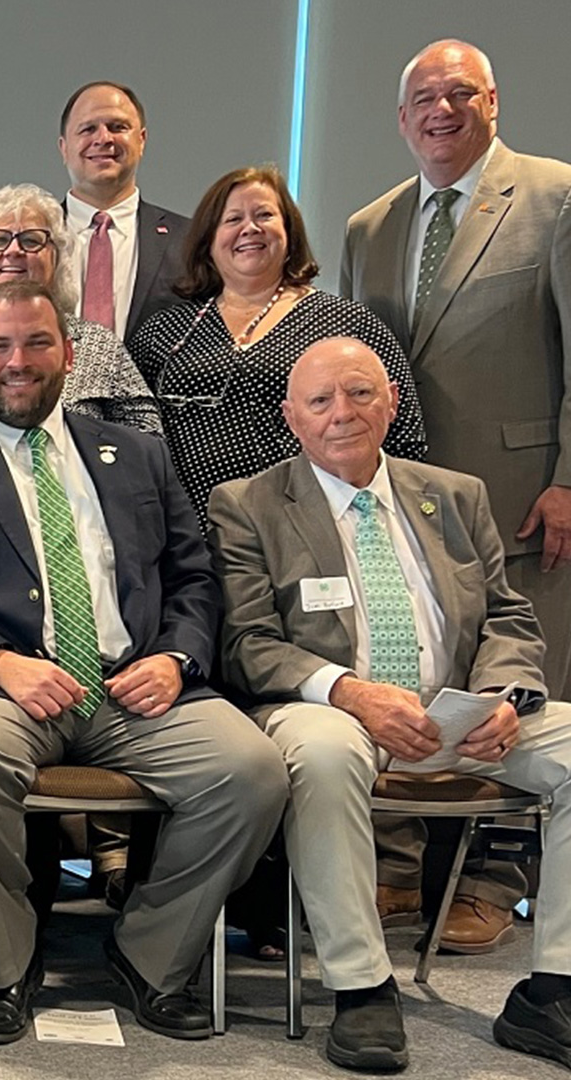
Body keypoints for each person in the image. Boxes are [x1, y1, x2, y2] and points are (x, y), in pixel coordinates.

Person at [0, 280, 288, 1046]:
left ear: (68, 353)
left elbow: (195, 575)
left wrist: (179, 657)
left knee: (252, 770)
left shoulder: (139, 457)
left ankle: (151, 955)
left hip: (134, 690)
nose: (18, 362)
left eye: (35, 343)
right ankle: (5, 964)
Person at [210, 336, 571, 1073]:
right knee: (325, 751)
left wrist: (506, 697)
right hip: (332, 708)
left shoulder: (456, 494)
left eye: (360, 393)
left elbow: (507, 616)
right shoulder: (247, 505)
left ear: (392, 402)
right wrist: (350, 692)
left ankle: (552, 991)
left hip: (461, 714)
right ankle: (361, 988)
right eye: (320, 400)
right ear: (292, 418)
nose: (342, 413)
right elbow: (247, 642)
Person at [345, 40, 571, 947]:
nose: (442, 111)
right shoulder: (371, 226)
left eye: (459, 93)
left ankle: (494, 871)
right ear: (401, 119)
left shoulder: (555, 196)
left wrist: (568, 479)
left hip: (523, 496)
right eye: (423, 99)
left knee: (523, 687)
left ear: (493, 102)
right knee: (408, 670)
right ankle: (401, 870)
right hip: (402, 503)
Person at [132, 166, 427, 534]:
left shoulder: (347, 324)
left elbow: (404, 437)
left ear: (289, 232)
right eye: (233, 219)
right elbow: (133, 444)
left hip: (313, 536)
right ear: (208, 239)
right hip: (191, 542)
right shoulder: (163, 332)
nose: (249, 228)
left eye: (264, 215)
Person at [0, 183, 161, 439]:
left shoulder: (98, 344)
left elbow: (147, 440)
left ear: (58, 264)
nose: (14, 250)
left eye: (31, 240)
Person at [57, 81, 190, 349]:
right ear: (64, 148)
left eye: (118, 127)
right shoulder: (30, 240)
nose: (103, 138)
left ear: (141, 140)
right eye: (88, 129)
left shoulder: (191, 241)